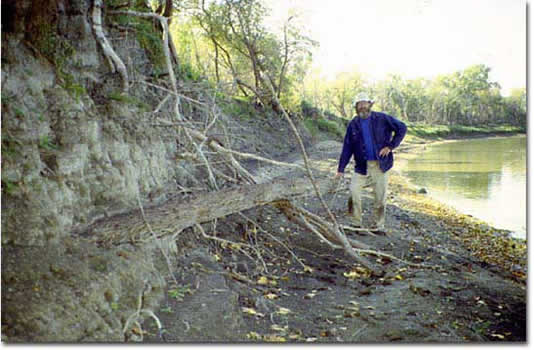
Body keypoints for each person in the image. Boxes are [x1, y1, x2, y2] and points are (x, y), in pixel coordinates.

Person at [335, 93, 407, 234]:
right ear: (356, 107)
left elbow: (402, 128)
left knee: (380, 197)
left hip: (380, 165)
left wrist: (391, 146)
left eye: (364, 103)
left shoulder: (382, 118)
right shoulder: (353, 124)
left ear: (370, 104)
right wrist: (340, 169)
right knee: (354, 192)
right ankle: (356, 223)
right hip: (361, 166)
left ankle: (378, 225)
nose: (362, 106)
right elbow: (347, 147)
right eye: (359, 104)